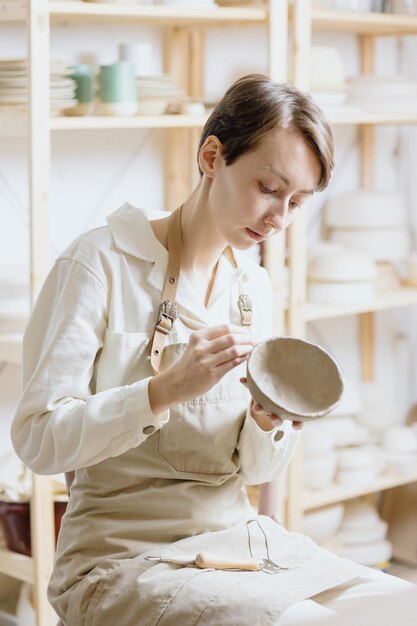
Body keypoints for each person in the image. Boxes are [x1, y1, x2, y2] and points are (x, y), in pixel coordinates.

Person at [11, 74, 415, 625]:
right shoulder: (100, 263)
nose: (279, 219)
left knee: (400, 604)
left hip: (237, 546)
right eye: (269, 189)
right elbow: (38, 440)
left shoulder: (252, 289)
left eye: (297, 202)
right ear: (210, 156)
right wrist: (163, 390)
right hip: (123, 557)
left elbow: (253, 471)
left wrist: (268, 420)